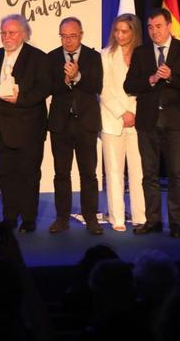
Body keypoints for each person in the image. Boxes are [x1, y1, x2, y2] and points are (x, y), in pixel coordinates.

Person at [124, 7, 180, 238]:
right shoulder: (141, 52)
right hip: (148, 122)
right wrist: (152, 79)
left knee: (176, 174)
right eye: (150, 27)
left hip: (175, 121)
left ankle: (175, 223)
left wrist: (171, 77)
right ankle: (153, 220)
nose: (154, 31)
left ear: (168, 27)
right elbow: (129, 86)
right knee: (149, 174)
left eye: (158, 26)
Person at [0, 14, 50, 233]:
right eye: (3, 33)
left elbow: (44, 88)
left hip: (29, 127)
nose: (7, 37)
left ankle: (29, 219)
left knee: (28, 175)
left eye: (12, 32)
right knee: (5, 176)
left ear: (24, 33)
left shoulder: (38, 58)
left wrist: (20, 98)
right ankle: (9, 217)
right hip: (1, 127)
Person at [47, 17, 104, 235]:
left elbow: (96, 86)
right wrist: (65, 80)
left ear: (80, 34)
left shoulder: (93, 57)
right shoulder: (52, 57)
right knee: (61, 173)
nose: (68, 40)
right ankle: (62, 218)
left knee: (88, 173)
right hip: (60, 123)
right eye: (64, 36)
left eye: (72, 36)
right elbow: (48, 86)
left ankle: (91, 218)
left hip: (86, 123)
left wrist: (77, 76)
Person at [100, 13, 146, 232]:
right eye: (116, 31)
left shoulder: (144, 55)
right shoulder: (106, 55)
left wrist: (134, 112)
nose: (119, 35)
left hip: (139, 120)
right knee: (114, 171)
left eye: (124, 31)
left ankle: (140, 217)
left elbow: (147, 87)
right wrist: (123, 112)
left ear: (134, 31)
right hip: (112, 120)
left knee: (139, 172)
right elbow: (104, 90)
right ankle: (117, 218)